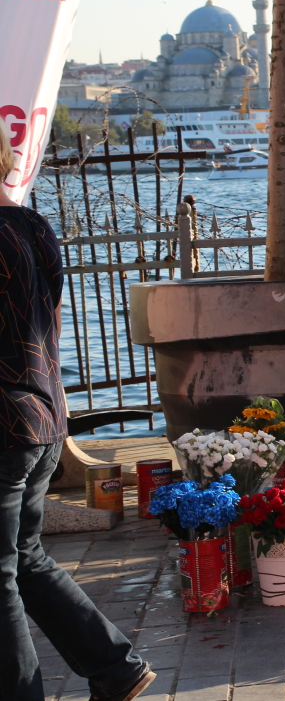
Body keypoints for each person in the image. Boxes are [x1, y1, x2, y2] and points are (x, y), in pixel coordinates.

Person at [0, 132, 155, 701]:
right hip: (43, 410)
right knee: (25, 558)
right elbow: (50, 319)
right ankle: (115, 667)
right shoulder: (33, 225)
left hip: (5, 421)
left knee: (3, 573)